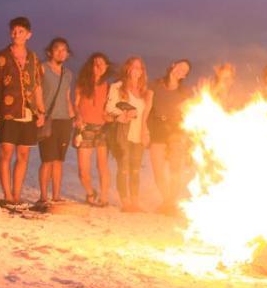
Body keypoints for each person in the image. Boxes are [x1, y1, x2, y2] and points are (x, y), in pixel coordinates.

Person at [0, 17, 45, 204]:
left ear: (28, 35)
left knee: (24, 155)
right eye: (13, 30)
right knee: (6, 152)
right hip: (8, 111)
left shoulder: (34, 58)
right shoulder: (1, 57)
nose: (15, 34)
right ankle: (8, 195)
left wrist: (41, 111)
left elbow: (37, 87)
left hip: (29, 112)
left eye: (20, 31)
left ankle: (17, 195)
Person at [107, 56, 152, 212]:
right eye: (133, 67)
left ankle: (135, 201)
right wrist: (122, 115)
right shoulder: (118, 87)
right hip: (123, 132)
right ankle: (125, 202)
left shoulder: (144, 91)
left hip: (139, 133)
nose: (136, 71)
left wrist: (146, 131)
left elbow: (146, 114)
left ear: (142, 71)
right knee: (124, 167)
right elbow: (109, 108)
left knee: (135, 169)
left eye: (139, 68)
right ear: (128, 69)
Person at [37, 38, 76, 204]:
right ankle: (43, 196)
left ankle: (56, 196)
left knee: (59, 160)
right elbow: (36, 91)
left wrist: (74, 116)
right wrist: (39, 113)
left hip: (65, 120)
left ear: (67, 54)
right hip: (48, 119)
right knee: (47, 159)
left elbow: (67, 97)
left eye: (64, 50)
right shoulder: (42, 68)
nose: (61, 52)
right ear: (50, 52)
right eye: (57, 49)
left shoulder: (68, 74)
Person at [150, 59, 191, 214]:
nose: (181, 70)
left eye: (185, 70)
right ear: (173, 65)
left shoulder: (185, 91)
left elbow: (188, 112)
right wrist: (144, 130)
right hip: (158, 127)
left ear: (185, 76)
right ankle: (167, 200)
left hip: (176, 130)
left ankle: (170, 202)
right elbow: (147, 107)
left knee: (176, 169)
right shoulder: (156, 85)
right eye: (180, 66)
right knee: (158, 169)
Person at [74, 52, 112, 207]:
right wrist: (78, 118)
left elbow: (110, 109)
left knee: (102, 165)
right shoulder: (82, 84)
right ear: (90, 66)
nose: (98, 67)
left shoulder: (109, 87)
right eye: (95, 63)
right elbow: (76, 104)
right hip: (85, 127)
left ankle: (104, 197)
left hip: (103, 128)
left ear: (106, 67)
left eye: (102, 64)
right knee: (83, 170)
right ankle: (90, 192)